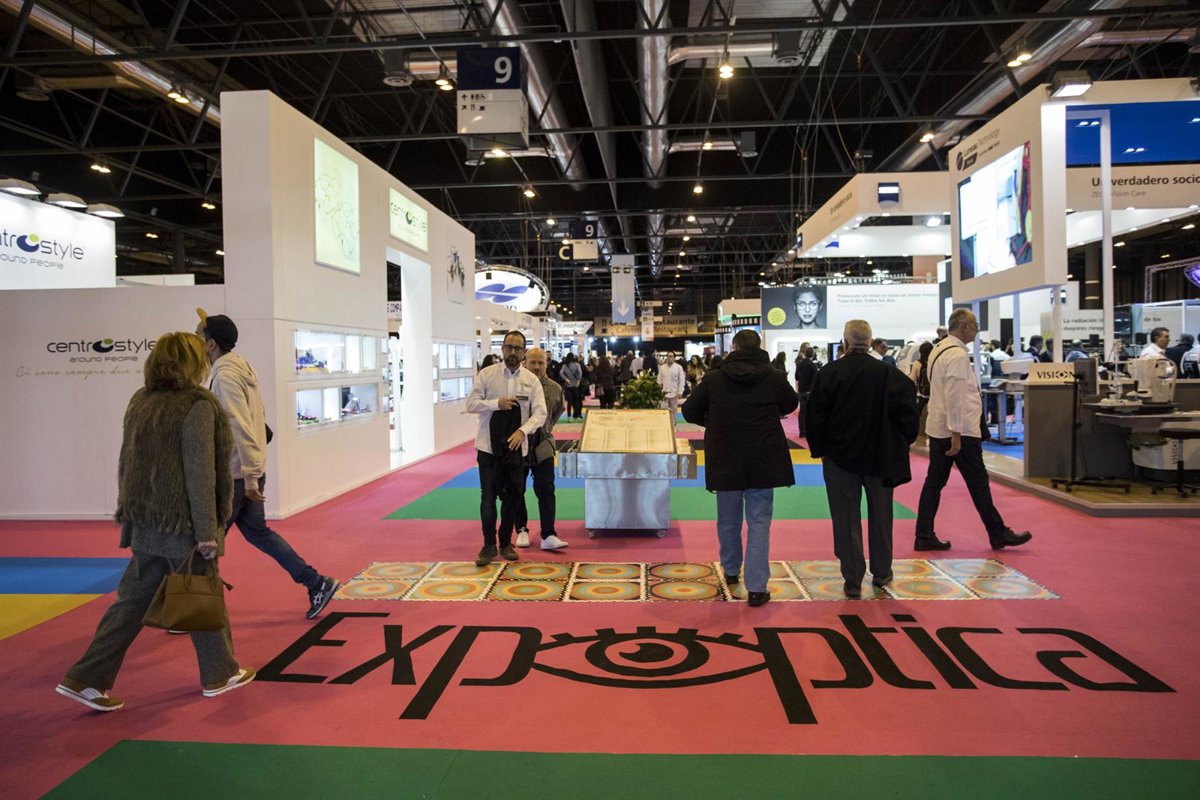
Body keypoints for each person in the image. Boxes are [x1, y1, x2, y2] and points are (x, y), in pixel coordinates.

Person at [57, 332, 254, 711]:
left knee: (131, 602)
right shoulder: (198, 406)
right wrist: (206, 532)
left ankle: (85, 677)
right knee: (202, 592)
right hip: (183, 525)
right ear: (193, 362)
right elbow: (200, 474)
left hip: (147, 521)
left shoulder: (141, 400)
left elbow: (128, 462)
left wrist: (132, 516)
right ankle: (220, 674)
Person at [197, 311, 338, 619]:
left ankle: (196, 610)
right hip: (246, 471)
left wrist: (250, 477)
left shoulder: (225, 376)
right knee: (258, 533)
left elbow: (240, 426)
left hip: (236, 476)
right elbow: (256, 419)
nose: (195, 342)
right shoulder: (240, 368)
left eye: (198, 337)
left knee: (206, 543)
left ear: (210, 345)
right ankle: (316, 583)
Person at [681, 329, 798, 607]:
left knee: (728, 519)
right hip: (764, 458)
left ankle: (731, 570)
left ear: (733, 347)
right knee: (759, 523)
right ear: (759, 347)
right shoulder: (773, 377)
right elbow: (790, 404)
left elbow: (689, 410)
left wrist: (713, 420)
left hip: (726, 456)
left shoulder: (714, 378)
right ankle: (757, 588)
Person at [806, 321, 918, 598]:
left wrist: (820, 450)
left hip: (839, 457)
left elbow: (814, 417)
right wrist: (902, 442)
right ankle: (882, 571)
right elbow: (908, 415)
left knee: (845, 518)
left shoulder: (829, 374)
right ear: (870, 342)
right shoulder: (890, 375)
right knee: (882, 516)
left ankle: (853, 578)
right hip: (881, 456)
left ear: (845, 341)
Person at [913, 309, 1032, 552]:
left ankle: (924, 534)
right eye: (975, 325)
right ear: (964, 326)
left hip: (941, 427)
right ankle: (997, 533)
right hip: (959, 432)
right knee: (977, 483)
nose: (978, 330)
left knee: (935, 483)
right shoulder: (956, 355)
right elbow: (955, 397)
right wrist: (956, 435)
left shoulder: (939, 349)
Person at [466, 330, 547, 566]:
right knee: (488, 497)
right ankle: (488, 545)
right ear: (502, 349)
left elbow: (540, 412)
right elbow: (470, 404)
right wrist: (496, 404)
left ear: (523, 352)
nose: (512, 352)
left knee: (513, 496)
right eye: (509, 347)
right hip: (488, 448)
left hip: (516, 448)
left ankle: (506, 543)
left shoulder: (531, 380)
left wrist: (523, 431)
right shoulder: (487, 375)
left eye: (517, 348)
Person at [513, 348, 570, 552]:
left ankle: (548, 534)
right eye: (533, 362)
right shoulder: (515, 385)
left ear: (547, 364)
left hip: (543, 445)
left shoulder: (555, 388)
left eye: (541, 363)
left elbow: (556, 413)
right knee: (516, 488)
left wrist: (543, 431)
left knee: (546, 489)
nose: (537, 367)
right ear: (524, 363)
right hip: (518, 444)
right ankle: (521, 529)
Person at [794, 346, 818, 438]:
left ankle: (802, 431)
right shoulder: (812, 365)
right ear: (812, 355)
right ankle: (809, 431)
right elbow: (816, 378)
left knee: (802, 412)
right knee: (810, 412)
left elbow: (796, 377)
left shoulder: (800, 364)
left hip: (801, 391)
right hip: (809, 391)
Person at [559, 352, 583, 420]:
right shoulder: (577, 364)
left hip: (568, 385)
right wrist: (578, 380)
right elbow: (580, 373)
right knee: (576, 401)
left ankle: (569, 416)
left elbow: (561, 373)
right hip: (575, 385)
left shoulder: (565, 365)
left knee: (569, 402)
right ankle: (576, 415)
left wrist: (566, 379)